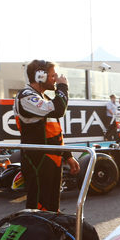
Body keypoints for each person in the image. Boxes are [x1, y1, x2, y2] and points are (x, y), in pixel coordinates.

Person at [13, 59, 80, 211]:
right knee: (39, 207)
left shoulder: (45, 98)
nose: (56, 79)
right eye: (53, 76)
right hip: (38, 160)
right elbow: (58, 110)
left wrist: (67, 156)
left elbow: (55, 131)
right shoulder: (26, 96)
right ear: (40, 76)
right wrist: (63, 87)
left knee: (52, 208)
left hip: (52, 159)